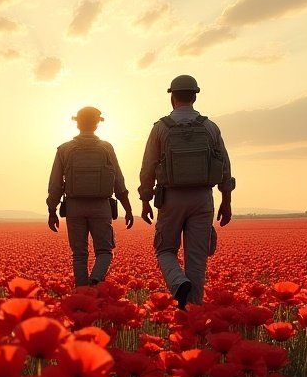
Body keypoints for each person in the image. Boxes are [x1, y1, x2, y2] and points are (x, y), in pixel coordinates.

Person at [138, 74, 234, 308]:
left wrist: (145, 199)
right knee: (197, 259)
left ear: (172, 97)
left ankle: (178, 282)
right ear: (194, 96)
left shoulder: (161, 128)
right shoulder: (210, 127)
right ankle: (194, 312)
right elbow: (225, 166)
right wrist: (226, 201)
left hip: (170, 199)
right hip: (202, 198)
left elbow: (148, 167)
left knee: (165, 249)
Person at [47, 106, 134, 287]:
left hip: (74, 206)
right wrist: (127, 207)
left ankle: (82, 291)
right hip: (101, 206)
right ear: (97, 124)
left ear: (77, 123)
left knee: (79, 254)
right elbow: (118, 180)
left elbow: (55, 184)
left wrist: (52, 210)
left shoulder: (64, 149)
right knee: (104, 251)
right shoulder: (106, 148)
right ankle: (96, 279)